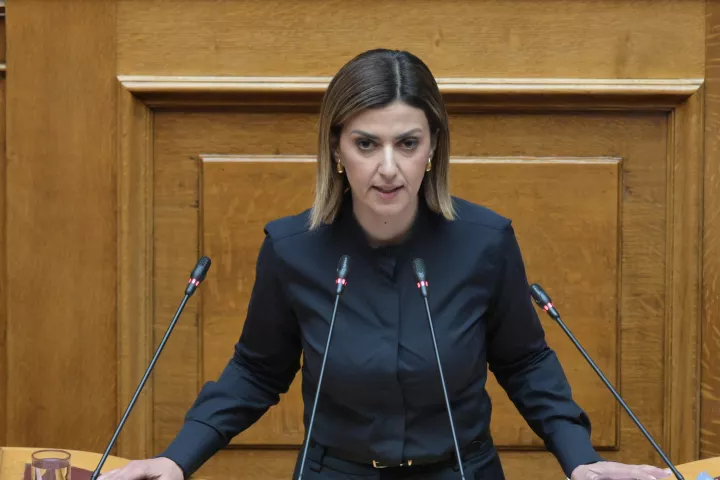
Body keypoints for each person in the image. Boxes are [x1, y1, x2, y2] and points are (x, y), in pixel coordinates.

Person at [99, 49, 673, 480]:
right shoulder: (291, 249)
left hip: (460, 470)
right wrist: (177, 459)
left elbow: (524, 363)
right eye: (367, 143)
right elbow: (256, 371)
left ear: (433, 147)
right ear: (336, 149)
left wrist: (580, 459)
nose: (389, 168)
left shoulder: (486, 242)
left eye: (408, 143)